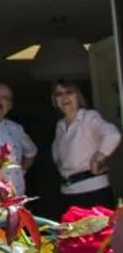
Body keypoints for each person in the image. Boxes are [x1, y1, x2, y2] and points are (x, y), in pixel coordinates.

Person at [50, 80, 121, 208]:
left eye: (69, 92)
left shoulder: (89, 117)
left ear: (78, 96)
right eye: (59, 94)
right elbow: (57, 155)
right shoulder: (60, 126)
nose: (64, 97)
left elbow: (113, 135)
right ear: (55, 100)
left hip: (94, 191)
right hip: (68, 193)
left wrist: (97, 159)